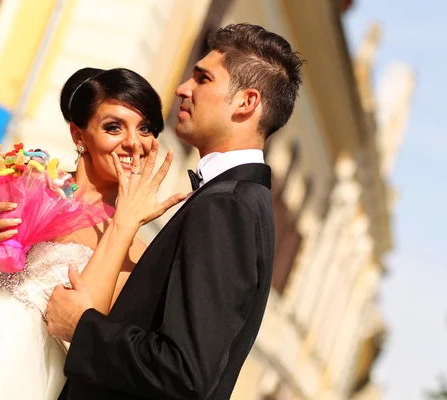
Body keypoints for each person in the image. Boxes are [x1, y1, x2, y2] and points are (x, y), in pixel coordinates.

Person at [47, 23, 304, 399]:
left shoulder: (228, 206)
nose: (184, 88)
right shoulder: (238, 200)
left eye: (202, 79)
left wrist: (82, 327)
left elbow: (185, 371)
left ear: (246, 103)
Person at [0, 67, 184, 399]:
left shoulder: (134, 252)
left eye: (145, 129)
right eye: (114, 127)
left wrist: (124, 223)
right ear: (79, 136)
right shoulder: (18, 172)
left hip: (17, 375)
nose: (132, 143)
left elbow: (83, 321)